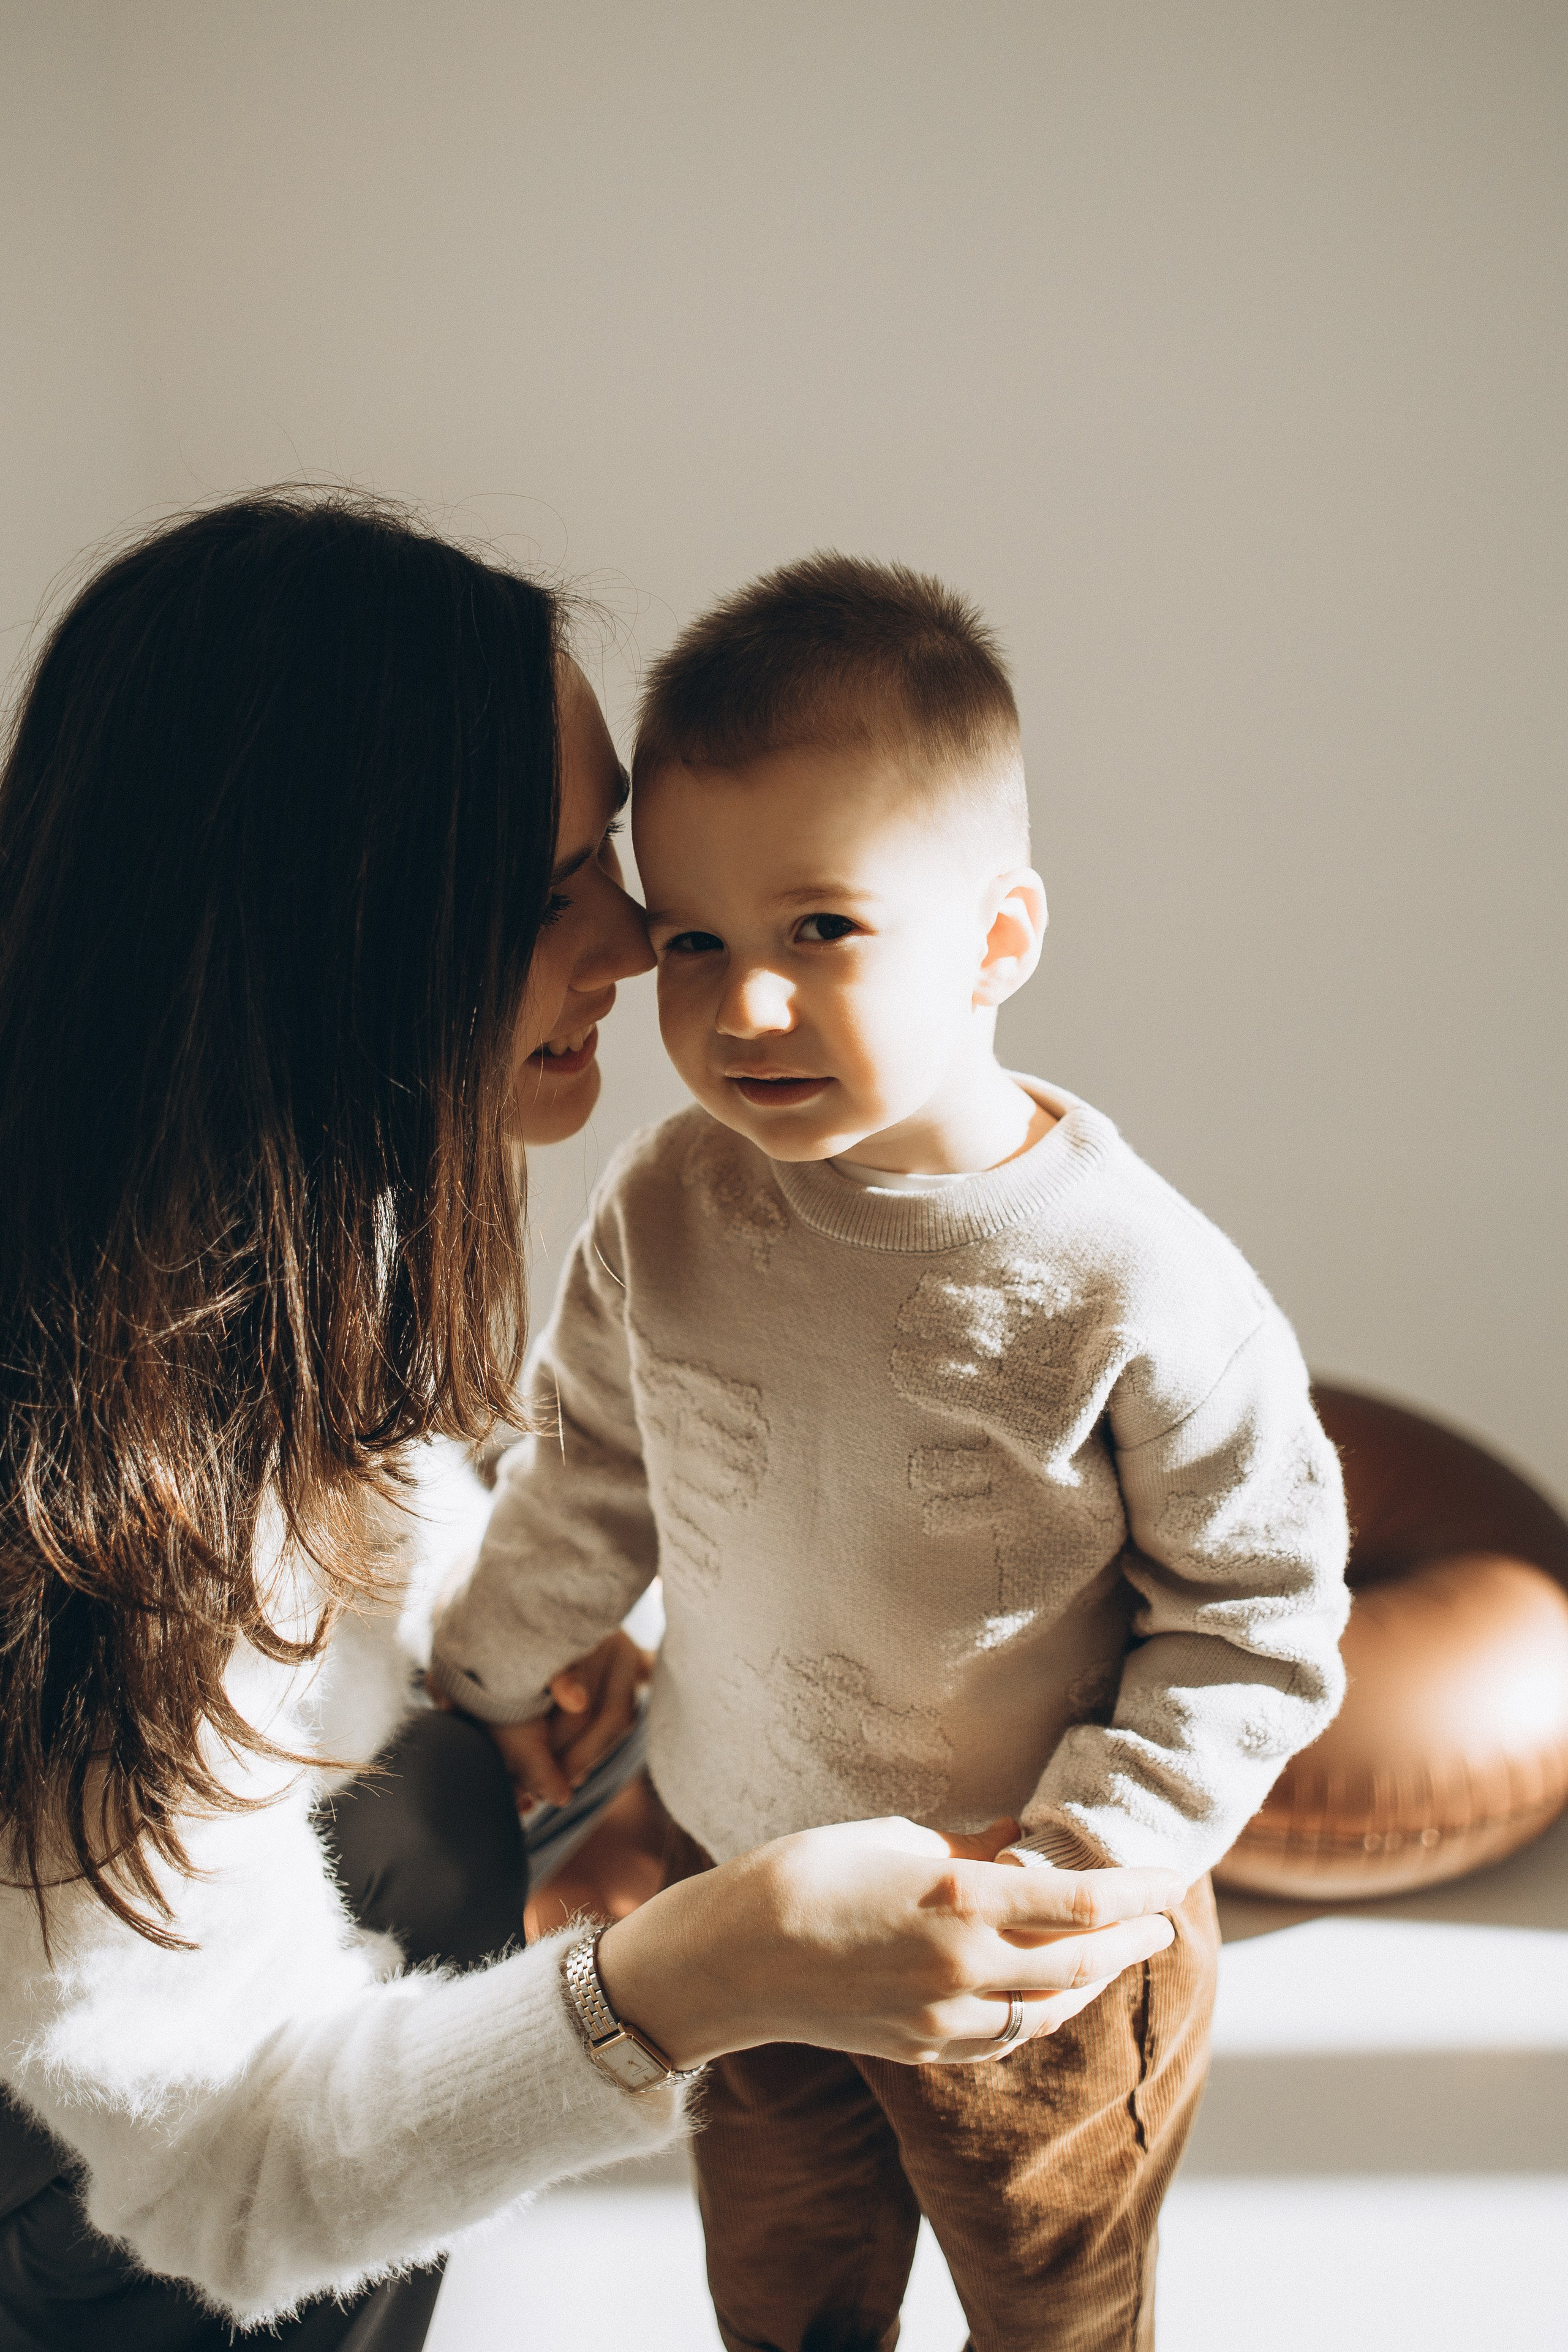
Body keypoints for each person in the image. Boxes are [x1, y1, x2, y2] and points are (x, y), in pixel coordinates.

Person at [0, 496, 1183, 2352]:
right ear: (343, 933)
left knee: (445, 1783)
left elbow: (371, 1512)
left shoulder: (229, 1257)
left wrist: (488, 1621)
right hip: (119, 2218)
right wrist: (706, 1972)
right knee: (443, 1828)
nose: (643, 942)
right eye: (559, 886)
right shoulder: (63, 1512)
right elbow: (216, 2185)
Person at [429, 555, 1354, 2350]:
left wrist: (1085, 1869)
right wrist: (482, 1671)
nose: (741, 1006)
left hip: (1034, 1955)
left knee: (1055, 2311)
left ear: (999, 941)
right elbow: (595, 1465)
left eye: (820, 931)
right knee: (780, 2295)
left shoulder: (1134, 1279)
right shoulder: (671, 1200)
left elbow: (1260, 1617)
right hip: (739, 1887)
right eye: (692, 937)